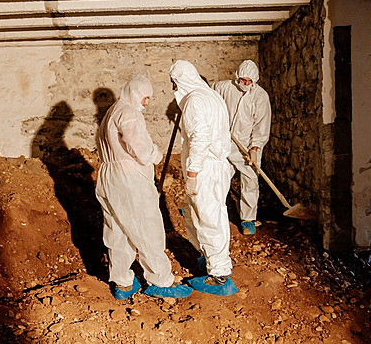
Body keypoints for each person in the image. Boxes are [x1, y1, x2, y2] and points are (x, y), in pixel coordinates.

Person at [95, 74, 193, 300]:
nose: (147, 103)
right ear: (134, 93)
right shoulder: (128, 113)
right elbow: (138, 145)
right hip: (129, 178)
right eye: (145, 97)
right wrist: (155, 156)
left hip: (108, 176)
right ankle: (160, 280)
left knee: (117, 230)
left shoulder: (111, 112)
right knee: (147, 226)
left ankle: (123, 283)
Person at [168, 60, 237, 296]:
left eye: (173, 83)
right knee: (206, 214)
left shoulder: (195, 101)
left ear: (178, 81)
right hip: (217, 166)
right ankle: (209, 260)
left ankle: (219, 277)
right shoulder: (211, 96)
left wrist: (192, 173)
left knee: (208, 218)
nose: (173, 88)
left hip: (206, 168)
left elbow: (200, 138)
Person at [212, 60, 271, 236]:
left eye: (249, 81)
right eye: (242, 80)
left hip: (246, 146)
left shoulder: (261, 97)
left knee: (250, 181)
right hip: (224, 142)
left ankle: (248, 220)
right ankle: (211, 212)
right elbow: (207, 95)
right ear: (237, 77)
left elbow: (262, 125)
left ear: (255, 80)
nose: (245, 84)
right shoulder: (223, 87)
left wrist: (255, 148)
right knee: (219, 178)